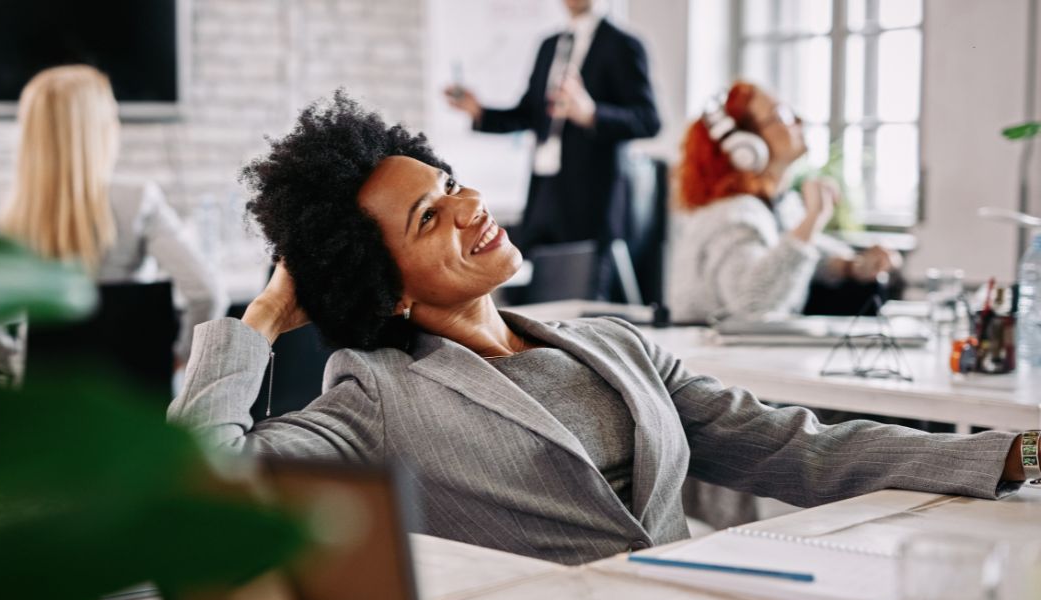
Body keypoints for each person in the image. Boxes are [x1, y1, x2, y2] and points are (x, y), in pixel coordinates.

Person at [169, 92, 1031, 566]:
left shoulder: (615, 344)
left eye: (453, 182)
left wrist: (1016, 456)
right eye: (431, 217)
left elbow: (791, 447)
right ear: (385, 287)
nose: (472, 206)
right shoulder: (376, 399)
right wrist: (268, 314)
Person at [0, 65, 227, 376]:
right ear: (102, 128)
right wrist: (180, 356)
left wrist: (11, 359)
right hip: (135, 394)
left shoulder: (10, 214)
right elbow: (206, 292)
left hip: (48, 396)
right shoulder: (138, 200)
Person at [443, 0, 660, 270]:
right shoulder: (548, 45)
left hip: (591, 195)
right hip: (545, 188)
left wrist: (591, 114)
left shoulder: (623, 44)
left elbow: (648, 120)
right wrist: (479, 112)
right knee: (540, 282)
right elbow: (529, 114)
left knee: (582, 283)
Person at [668, 81, 901, 324]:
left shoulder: (777, 205)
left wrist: (853, 266)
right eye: (782, 115)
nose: (799, 121)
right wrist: (811, 220)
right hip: (707, 358)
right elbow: (753, 306)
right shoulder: (731, 215)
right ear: (744, 146)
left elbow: (798, 259)